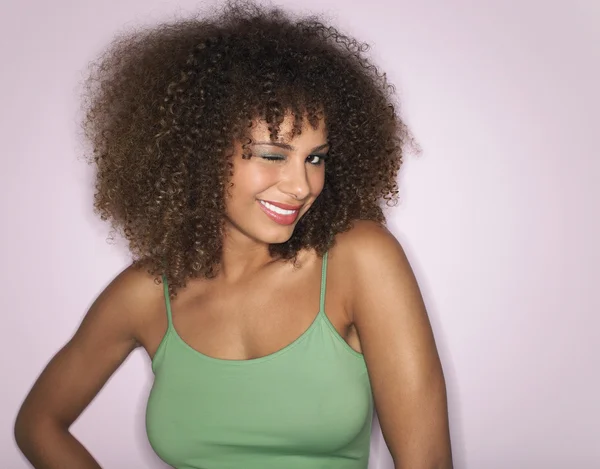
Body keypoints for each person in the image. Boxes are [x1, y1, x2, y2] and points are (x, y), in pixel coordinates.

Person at [14, 1, 453, 468]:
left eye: (315, 158)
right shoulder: (148, 293)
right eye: (272, 155)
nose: (302, 186)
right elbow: (39, 422)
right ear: (201, 151)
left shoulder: (358, 260)